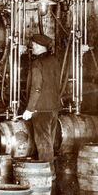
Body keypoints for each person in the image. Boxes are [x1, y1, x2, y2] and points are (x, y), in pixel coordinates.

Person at [19, 33, 62, 162]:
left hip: (41, 108)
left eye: (33, 45)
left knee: (43, 144)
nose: (32, 48)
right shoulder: (54, 60)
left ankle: (46, 172)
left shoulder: (37, 63)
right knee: (50, 142)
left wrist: (30, 108)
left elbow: (36, 87)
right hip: (54, 108)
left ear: (39, 46)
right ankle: (51, 171)